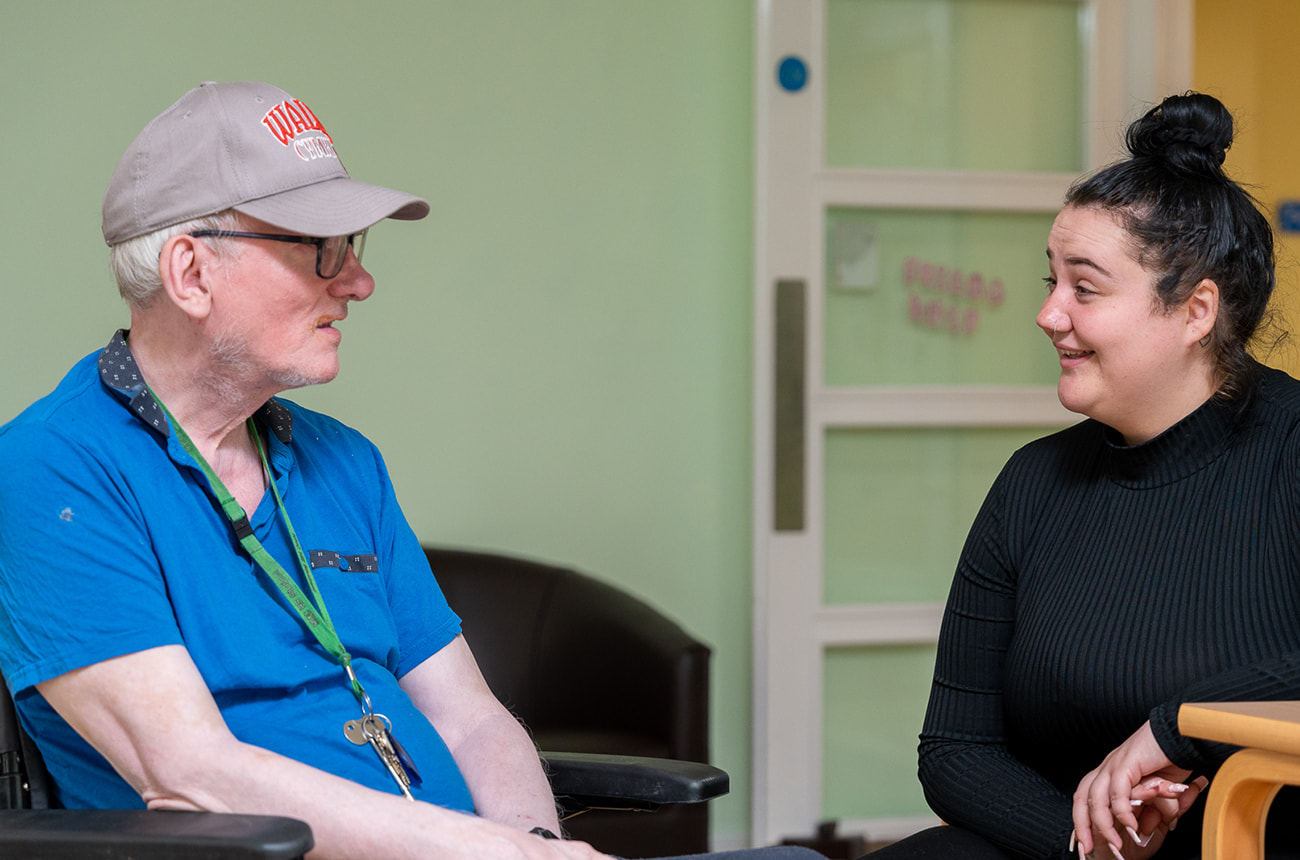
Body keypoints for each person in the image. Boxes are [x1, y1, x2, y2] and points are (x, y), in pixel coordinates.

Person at [0, 81, 823, 860]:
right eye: (321, 250)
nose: (358, 280)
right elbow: (193, 775)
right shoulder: (53, 473)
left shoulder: (343, 462)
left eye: (351, 247)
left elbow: (470, 721)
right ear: (190, 271)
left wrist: (536, 846)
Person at [862, 92, 1300, 860]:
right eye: (1050, 282)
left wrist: (1181, 725)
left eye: (1085, 288)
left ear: (1196, 312)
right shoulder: (1032, 485)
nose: (1049, 315)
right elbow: (957, 749)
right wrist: (1085, 844)